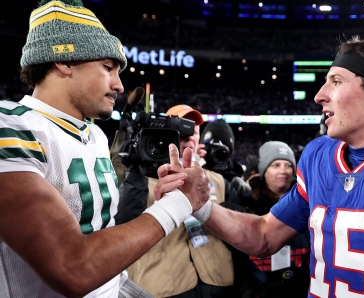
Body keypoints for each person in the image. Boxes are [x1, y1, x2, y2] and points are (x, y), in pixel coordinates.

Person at [160, 36, 364, 297]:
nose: (320, 95)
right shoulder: (319, 155)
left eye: (335, 81)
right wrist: (201, 204)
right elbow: (263, 236)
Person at [0, 1, 209, 297]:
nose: (119, 85)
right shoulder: (10, 126)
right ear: (65, 60)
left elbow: (103, 232)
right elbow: (73, 267)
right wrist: (178, 204)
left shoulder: (96, 134)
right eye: (108, 67)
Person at [116, 104, 243, 298]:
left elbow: (243, 220)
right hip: (162, 287)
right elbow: (123, 227)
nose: (188, 136)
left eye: (193, 131)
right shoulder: (141, 179)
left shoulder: (217, 180)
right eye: (181, 129)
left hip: (218, 282)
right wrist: (137, 170)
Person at [239, 141, 310, 298]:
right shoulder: (244, 205)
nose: (283, 171)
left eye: (288, 165)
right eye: (276, 165)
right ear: (264, 170)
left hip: (298, 287)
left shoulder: (309, 204)